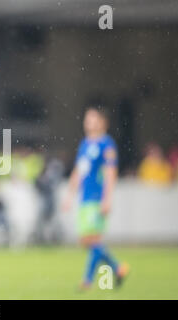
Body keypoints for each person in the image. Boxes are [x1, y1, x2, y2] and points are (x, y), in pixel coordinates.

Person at [62, 106, 129, 291]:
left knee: (91, 240)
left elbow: (110, 172)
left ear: (102, 123)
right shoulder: (85, 144)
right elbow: (79, 171)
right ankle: (117, 268)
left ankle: (87, 281)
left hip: (97, 198)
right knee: (88, 241)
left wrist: (107, 199)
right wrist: (69, 196)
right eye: (86, 119)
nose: (87, 123)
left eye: (91, 119)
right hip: (85, 199)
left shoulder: (106, 144)